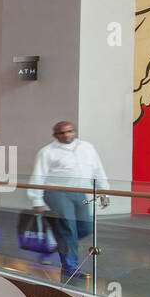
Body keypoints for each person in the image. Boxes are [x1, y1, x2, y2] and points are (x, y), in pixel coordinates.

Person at [29, 120, 111, 281]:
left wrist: (104, 192)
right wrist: (36, 199)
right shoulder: (47, 152)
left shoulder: (87, 148)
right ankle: (70, 267)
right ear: (55, 135)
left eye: (69, 131)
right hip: (56, 192)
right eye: (61, 132)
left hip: (80, 192)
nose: (66, 135)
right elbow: (38, 176)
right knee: (68, 227)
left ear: (75, 132)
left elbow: (98, 170)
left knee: (85, 226)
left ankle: (58, 238)